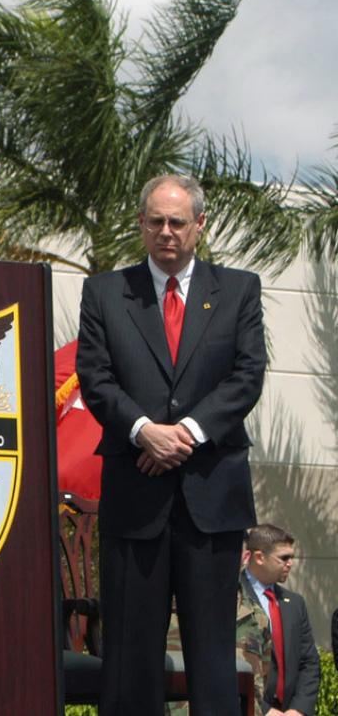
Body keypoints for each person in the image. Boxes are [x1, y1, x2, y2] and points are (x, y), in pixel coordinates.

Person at [77, 174, 266, 716]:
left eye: (177, 221)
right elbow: (96, 376)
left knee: (211, 659)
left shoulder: (238, 290)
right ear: (140, 224)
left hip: (212, 499)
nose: (166, 232)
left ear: (199, 226)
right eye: (155, 220)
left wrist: (184, 434)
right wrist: (143, 430)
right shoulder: (106, 292)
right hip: (135, 503)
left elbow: (247, 376)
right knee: (131, 657)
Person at [240, 524, 319, 716]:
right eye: (284, 557)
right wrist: (266, 711)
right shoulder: (231, 597)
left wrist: (298, 709)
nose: (291, 563)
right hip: (248, 709)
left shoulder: (295, 604)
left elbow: (309, 663)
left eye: (291, 557)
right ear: (259, 557)